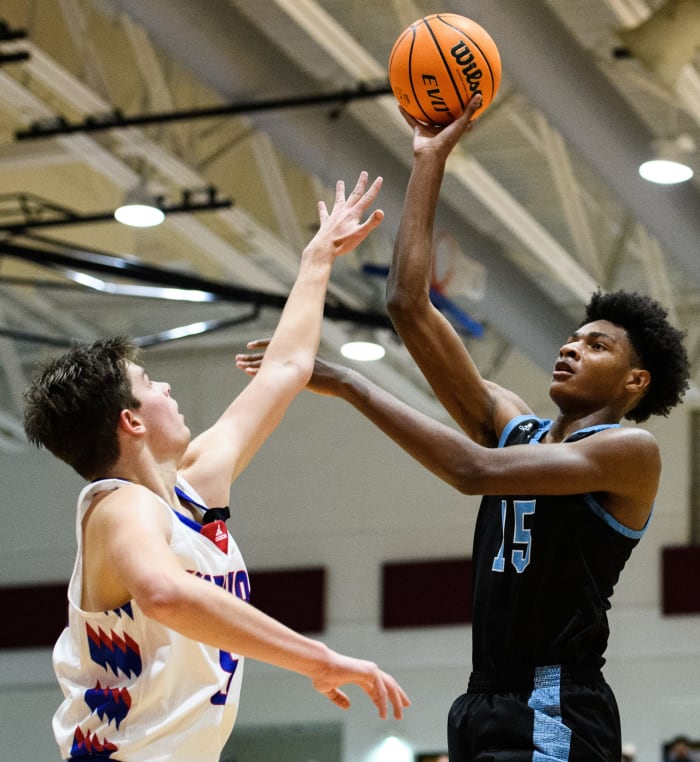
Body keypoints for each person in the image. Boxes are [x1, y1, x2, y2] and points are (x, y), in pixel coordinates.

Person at [237, 96, 690, 761]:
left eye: (596, 346)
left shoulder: (628, 452)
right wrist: (429, 159)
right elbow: (407, 306)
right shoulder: (516, 427)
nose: (569, 347)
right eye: (571, 337)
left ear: (634, 383)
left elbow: (469, 472)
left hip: (555, 700)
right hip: (479, 701)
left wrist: (351, 383)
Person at [22, 171, 409, 762]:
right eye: (150, 382)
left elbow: (285, 370)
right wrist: (321, 659)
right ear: (130, 421)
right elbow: (163, 593)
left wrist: (315, 261)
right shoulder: (117, 505)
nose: (167, 385)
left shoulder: (196, 486)